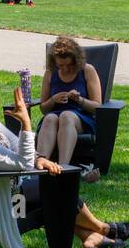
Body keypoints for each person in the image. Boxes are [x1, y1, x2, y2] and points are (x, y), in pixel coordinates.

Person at [0, 72, 129, 248]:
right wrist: (26, 123)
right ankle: (102, 228)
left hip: (12, 192)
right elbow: (22, 163)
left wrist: (38, 159)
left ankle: (91, 236)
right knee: (57, 188)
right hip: (12, 204)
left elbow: (16, 145)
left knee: (50, 187)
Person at [36, 35, 102, 180]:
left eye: (69, 65)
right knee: (50, 118)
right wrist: (53, 99)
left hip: (80, 118)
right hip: (54, 117)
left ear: (76, 61)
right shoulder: (50, 73)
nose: (65, 69)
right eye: (61, 66)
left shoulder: (87, 71)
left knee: (66, 115)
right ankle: (40, 167)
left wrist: (79, 99)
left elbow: (97, 106)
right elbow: (44, 109)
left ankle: (63, 169)